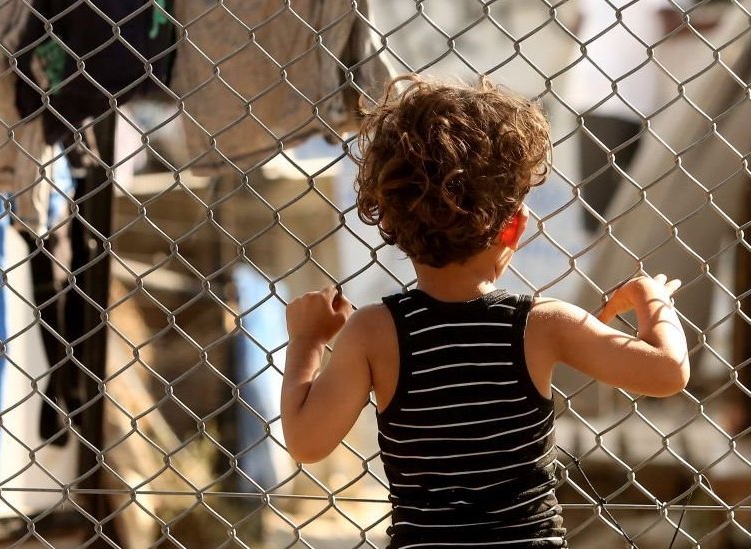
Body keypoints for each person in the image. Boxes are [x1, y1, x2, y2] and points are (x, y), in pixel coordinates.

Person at [280, 74, 690, 548]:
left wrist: (308, 341)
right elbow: (668, 373)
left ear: (388, 219)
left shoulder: (374, 331)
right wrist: (651, 298)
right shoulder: (541, 323)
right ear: (514, 227)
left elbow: (307, 443)